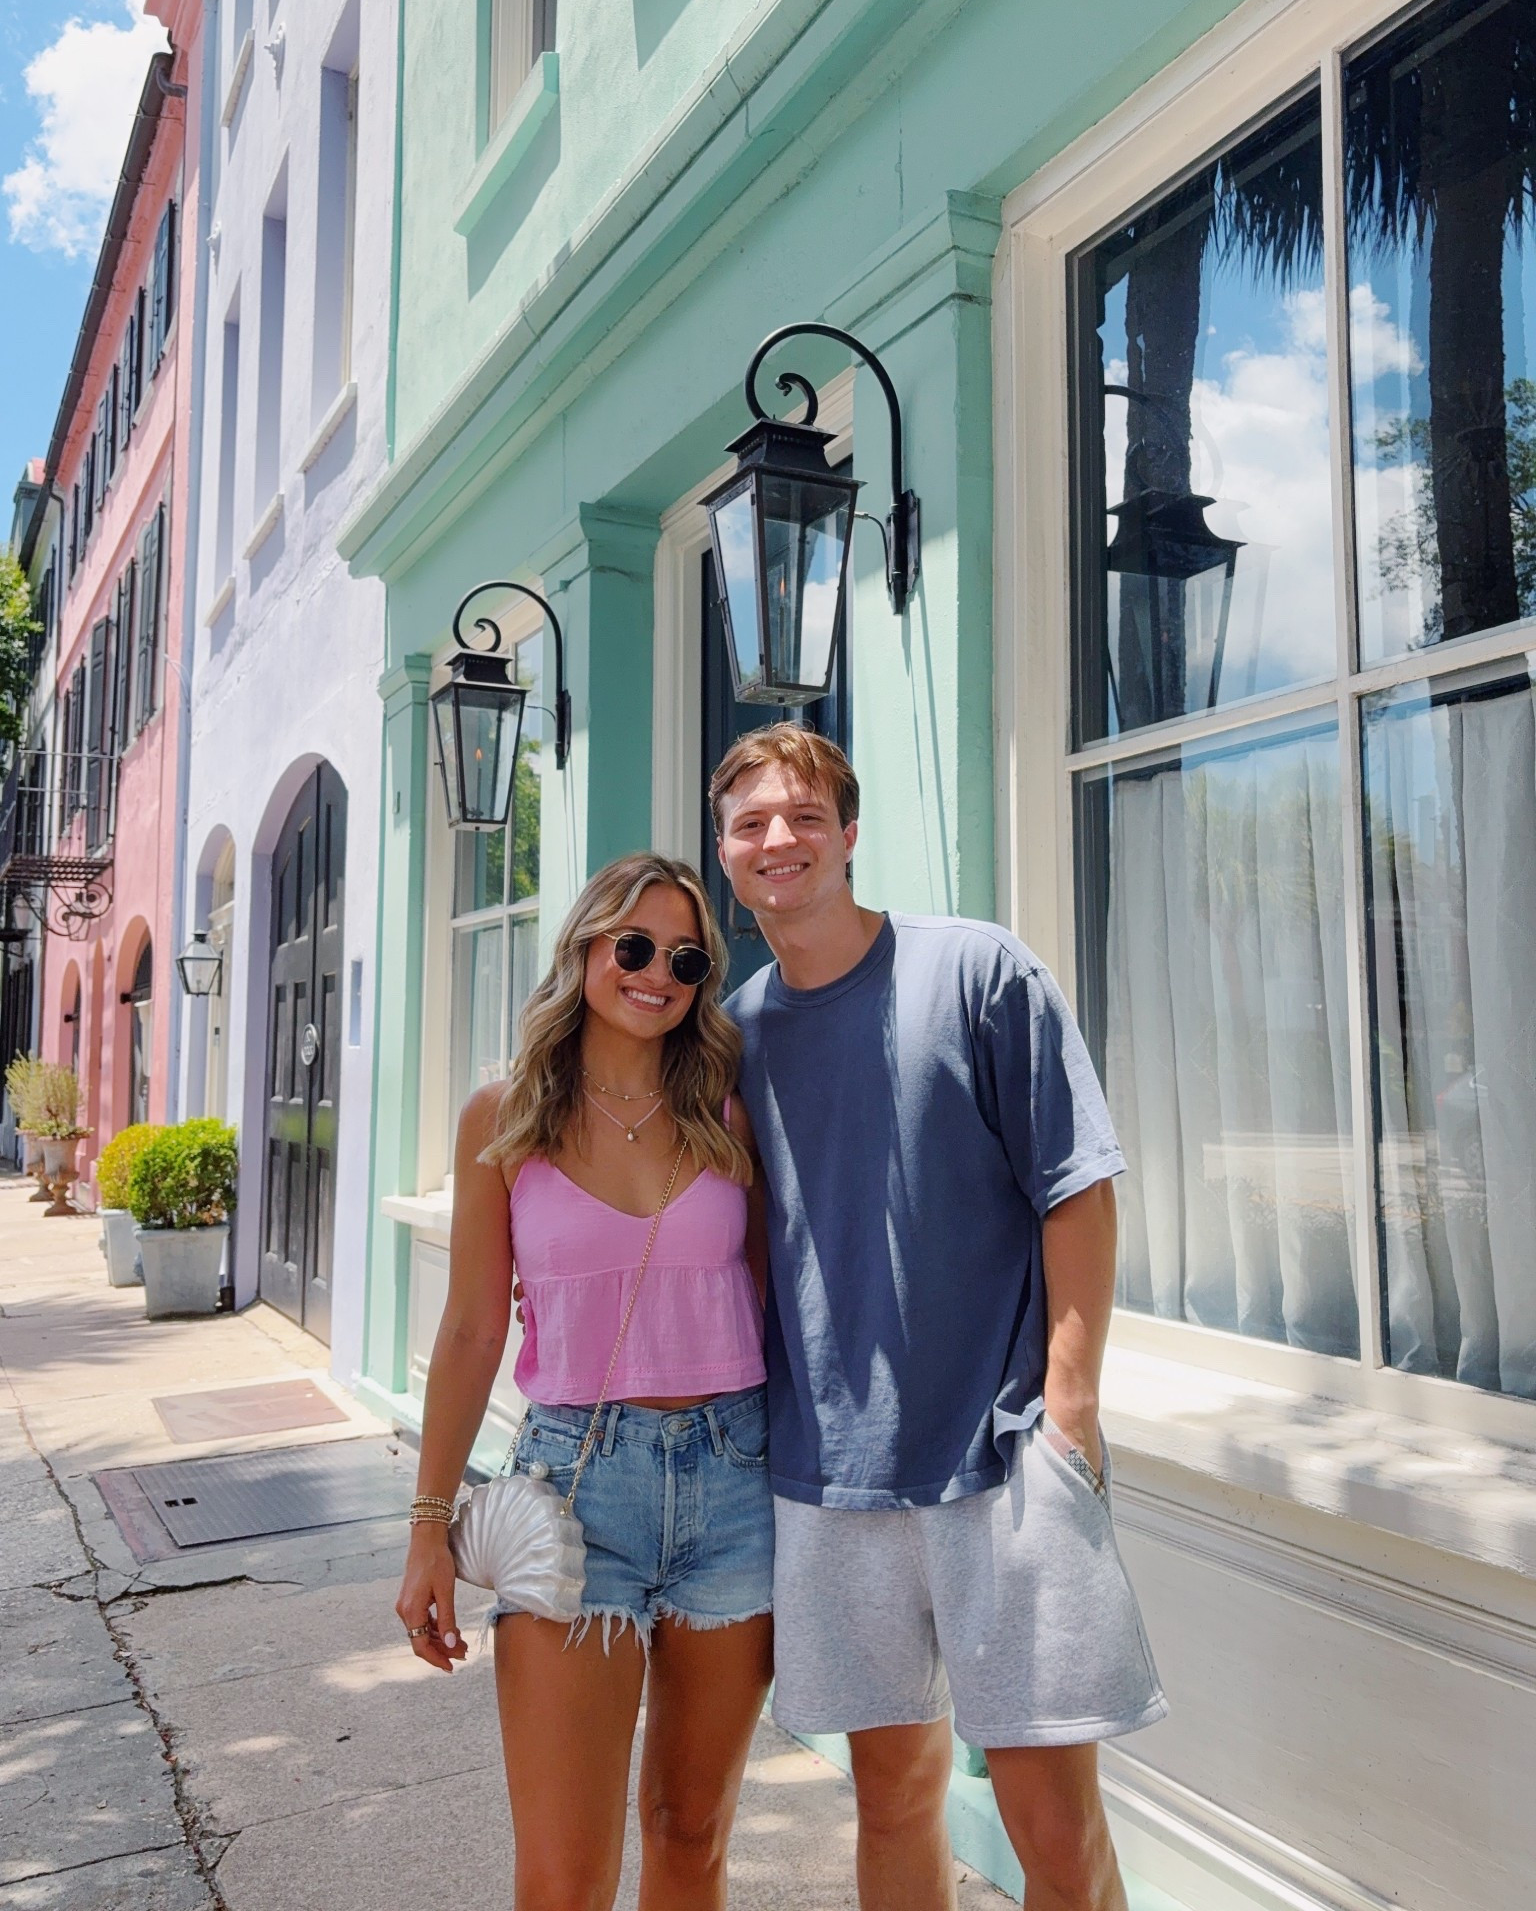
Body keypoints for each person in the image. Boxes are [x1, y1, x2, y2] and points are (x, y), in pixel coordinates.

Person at [710, 724, 1166, 1911]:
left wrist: (1070, 1404)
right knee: (894, 1795)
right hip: (833, 1476)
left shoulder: (978, 969)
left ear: (849, 836)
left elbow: (1077, 1180)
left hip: (1001, 1454)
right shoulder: (738, 1033)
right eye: (752, 820)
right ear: (725, 851)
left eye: (805, 816)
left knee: (1052, 1823)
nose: (780, 838)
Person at [396, 852, 774, 1911]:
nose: (659, 972)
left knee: (691, 1834)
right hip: (576, 1489)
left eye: (687, 957)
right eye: (636, 945)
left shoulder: (727, 1116)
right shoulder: (504, 1116)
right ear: (585, 949)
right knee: (564, 1876)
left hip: (735, 1483)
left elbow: (765, 1306)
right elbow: (473, 1328)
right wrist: (430, 1525)